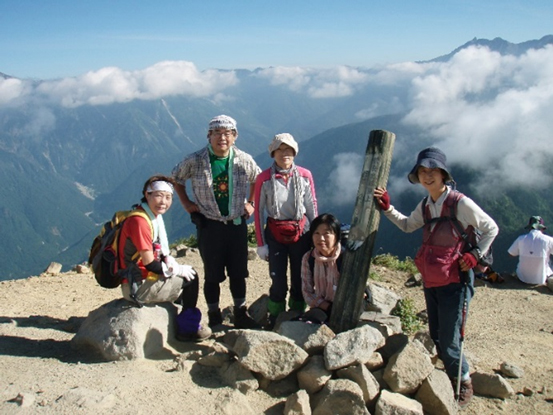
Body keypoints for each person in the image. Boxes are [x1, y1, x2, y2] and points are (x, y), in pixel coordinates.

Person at [373, 147, 498, 408]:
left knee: (451, 339)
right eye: (422, 171)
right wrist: (387, 208)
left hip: (457, 280)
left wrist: (475, 254)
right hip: (433, 279)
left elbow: (491, 228)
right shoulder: (426, 205)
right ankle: (453, 375)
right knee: (437, 334)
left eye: (432, 171)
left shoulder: (460, 203)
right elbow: (407, 225)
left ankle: (463, 382)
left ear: (443, 174)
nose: (427, 176)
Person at [171, 115, 261, 329]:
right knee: (212, 274)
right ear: (209, 136)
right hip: (209, 224)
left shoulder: (243, 159)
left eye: (227, 133)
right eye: (217, 133)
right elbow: (176, 178)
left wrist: (251, 202)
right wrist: (186, 202)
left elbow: (258, 179)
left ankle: (240, 312)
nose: (222, 138)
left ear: (235, 136)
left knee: (238, 273)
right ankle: (214, 315)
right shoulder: (196, 160)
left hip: (236, 223)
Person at [118, 174, 211, 342]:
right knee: (191, 278)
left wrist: (169, 263)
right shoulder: (140, 222)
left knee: (183, 275)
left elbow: (156, 253)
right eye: (159, 195)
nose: (163, 202)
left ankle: (177, 318)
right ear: (147, 195)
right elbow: (150, 264)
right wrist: (176, 270)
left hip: (137, 280)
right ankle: (187, 329)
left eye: (168, 197)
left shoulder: (148, 215)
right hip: (138, 286)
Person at [253, 133, 318, 328]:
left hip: (302, 232)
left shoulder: (305, 175)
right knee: (278, 279)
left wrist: (316, 235)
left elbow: (311, 205)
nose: (284, 154)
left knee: (300, 277)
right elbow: (258, 210)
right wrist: (261, 244)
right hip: (275, 233)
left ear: (294, 152)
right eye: (279, 150)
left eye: (288, 149)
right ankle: (276, 316)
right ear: (272, 153)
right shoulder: (264, 178)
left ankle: (297, 313)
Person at [300, 213, 343, 325]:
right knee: (311, 322)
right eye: (317, 233)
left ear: (336, 236)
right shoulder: (309, 258)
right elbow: (307, 291)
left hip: (345, 306)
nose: (321, 238)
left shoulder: (345, 258)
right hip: (323, 306)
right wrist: (327, 306)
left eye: (326, 233)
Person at [508, 216, 553, 285]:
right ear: (542, 228)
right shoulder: (549, 240)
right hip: (541, 279)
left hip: (522, 278)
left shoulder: (521, 238)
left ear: (529, 228)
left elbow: (511, 254)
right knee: (548, 261)